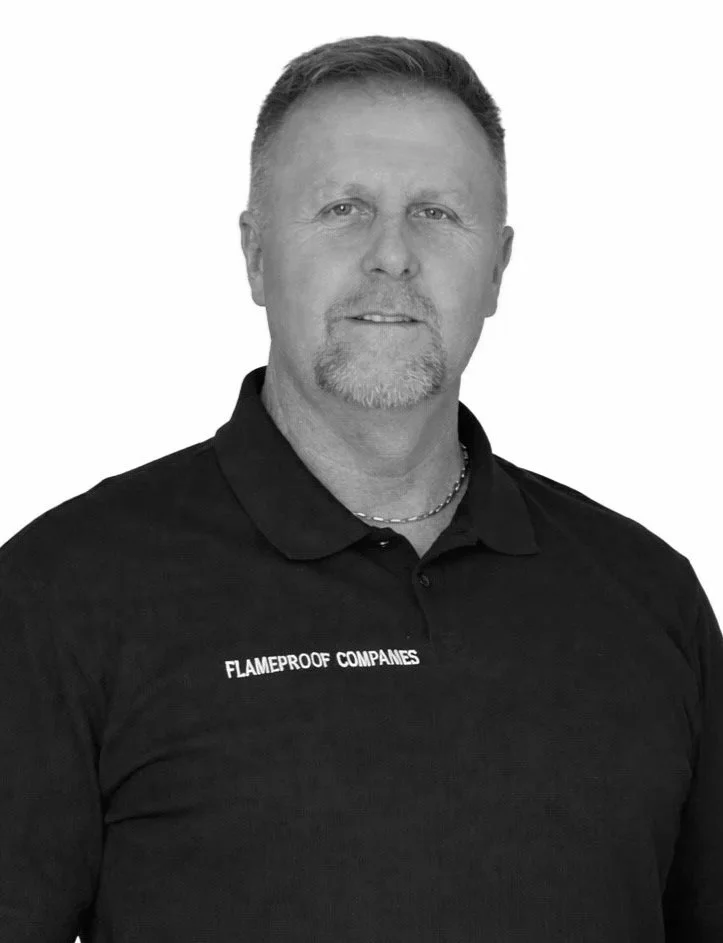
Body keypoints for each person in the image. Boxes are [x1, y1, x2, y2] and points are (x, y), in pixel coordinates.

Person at [1, 34, 720, 943]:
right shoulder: (59, 596)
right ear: (254, 254)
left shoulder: (647, 597)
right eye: (342, 208)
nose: (392, 255)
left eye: (437, 213)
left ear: (498, 267)